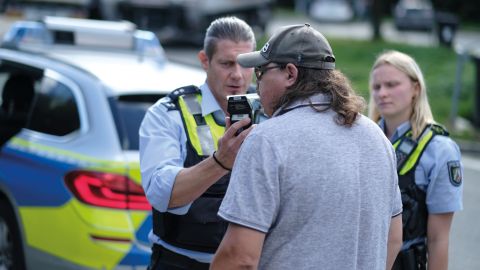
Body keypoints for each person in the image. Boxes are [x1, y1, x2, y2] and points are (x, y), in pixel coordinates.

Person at [211, 23, 403, 270]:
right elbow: (394, 238)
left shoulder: (266, 141)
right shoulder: (378, 138)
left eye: (261, 72)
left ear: (290, 74)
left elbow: (239, 258)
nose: (256, 84)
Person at [139, 16, 256, 269]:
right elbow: (161, 194)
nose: (237, 75)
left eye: (246, 65)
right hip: (181, 262)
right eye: (226, 63)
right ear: (205, 60)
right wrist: (220, 163)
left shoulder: (269, 109)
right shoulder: (168, 113)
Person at [368, 50, 464, 270]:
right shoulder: (362, 138)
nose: (382, 93)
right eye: (377, 87)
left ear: (416, 88)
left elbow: (439, 239)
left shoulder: (440, 150)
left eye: (392, 85)